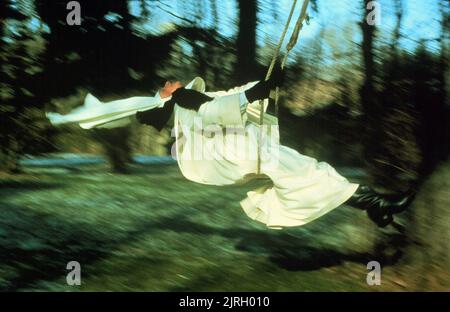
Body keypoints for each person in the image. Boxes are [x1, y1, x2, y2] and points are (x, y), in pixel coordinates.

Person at [46, 70, 414, 229]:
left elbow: (223, 98)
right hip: (216, 155)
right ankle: (372, 203)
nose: (173, 80)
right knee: (296, 166)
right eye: (169, 83)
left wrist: (261, 85)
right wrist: (254, 93)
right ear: (167, 92)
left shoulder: (186, 98)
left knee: (306, 170)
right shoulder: (178, 102)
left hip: (229, 151)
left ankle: (371, 204)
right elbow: (212, 108)